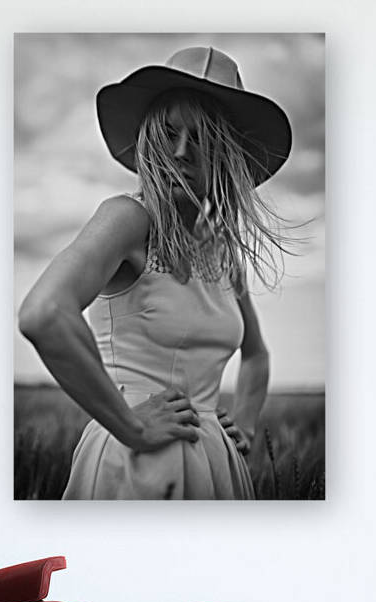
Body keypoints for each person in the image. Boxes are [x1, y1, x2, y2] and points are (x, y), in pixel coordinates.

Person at [19, 46, 293, 499]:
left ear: (226, 156)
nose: (182, 151)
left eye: (201, 139)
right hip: (135, 463)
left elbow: (257, 355)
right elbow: (44, 313)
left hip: (216, 467)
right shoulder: (128, 217)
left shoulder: (223, 250)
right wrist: (131, 426)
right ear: (149, 137)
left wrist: (243, 422)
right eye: (169, 133)